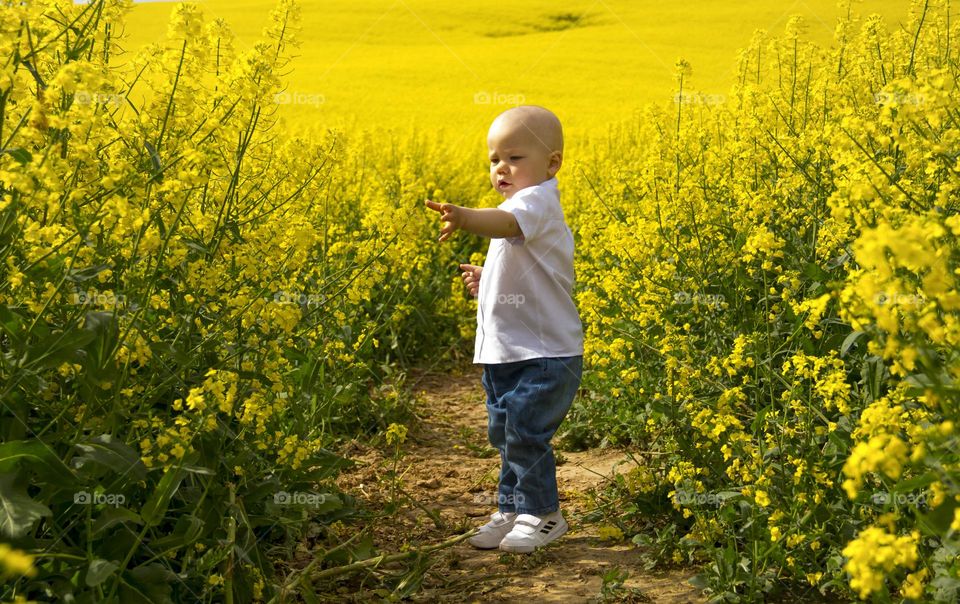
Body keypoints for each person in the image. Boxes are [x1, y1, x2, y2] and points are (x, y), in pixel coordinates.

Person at [424, 105, 584, 553]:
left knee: (525, 434)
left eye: (514, 157)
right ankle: (514, 508)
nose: (501, 168)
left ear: (551, 164)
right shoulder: (518, 209)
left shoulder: (534, 203)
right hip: (507, 354)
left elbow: (506, 224)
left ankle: (544, 514)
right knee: (507, 435)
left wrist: (464, 216)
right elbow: (519, 264)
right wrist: (486, 279)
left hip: (544, 353)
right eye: (494, 159)